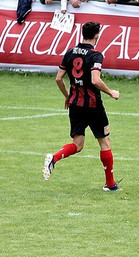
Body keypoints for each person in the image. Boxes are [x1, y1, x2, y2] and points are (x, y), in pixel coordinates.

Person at [43, 21, 121, 190]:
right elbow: (95, 80)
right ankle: (110, 184)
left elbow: (58, 78)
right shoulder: (95, 55)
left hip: (75, 104)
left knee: (77, 144)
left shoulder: (70, 52)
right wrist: (111, 92)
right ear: (97, 36)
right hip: (93, 105)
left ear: (82, 34)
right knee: (105, 143)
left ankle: (54, 158)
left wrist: (67, 96)